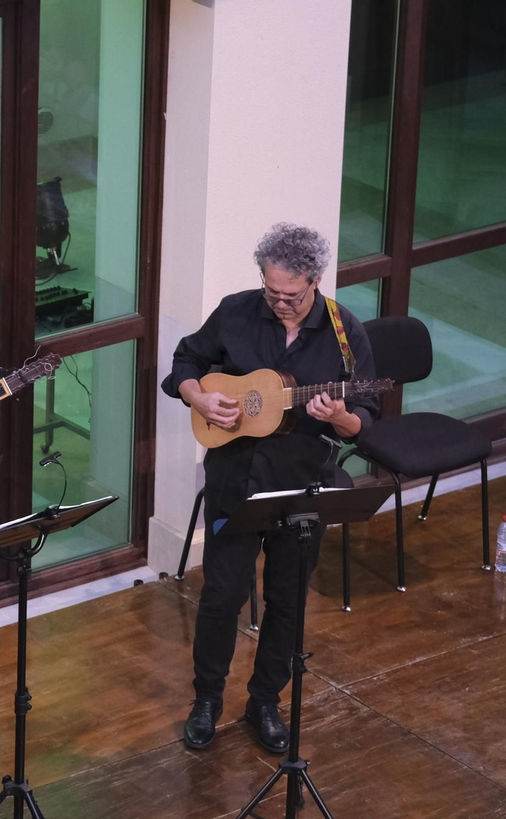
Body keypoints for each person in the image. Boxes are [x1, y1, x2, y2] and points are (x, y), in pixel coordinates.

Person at [162, 223, 378, 754]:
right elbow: (185, 362)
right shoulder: (237, 311)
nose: (281, 303)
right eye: (272, 292)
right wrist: (199, 398)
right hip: (235, 482)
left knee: (287, 602)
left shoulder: (343, 332)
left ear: (315, 281)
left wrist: (343, 419)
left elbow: (369, 416)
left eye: (293, 295)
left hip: (302, 485)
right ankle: (206, 700)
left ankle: (265, 702)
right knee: (221, 597)